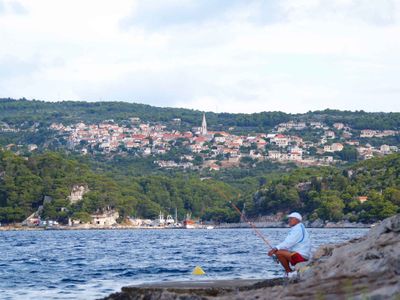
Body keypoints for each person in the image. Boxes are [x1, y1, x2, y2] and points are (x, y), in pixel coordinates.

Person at [268, 212, 311, 276]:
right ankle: (290, 271)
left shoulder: (297, 230)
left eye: (291, 219)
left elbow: (288, 243)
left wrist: (275, 248)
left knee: (279, 252)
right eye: (289, 219)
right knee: (279, 252)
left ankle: (289, 272)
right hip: (301, 254)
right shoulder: (300, 228)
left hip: (301, 256)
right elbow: (288, 245)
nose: (289, 220)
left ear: (297, 220)